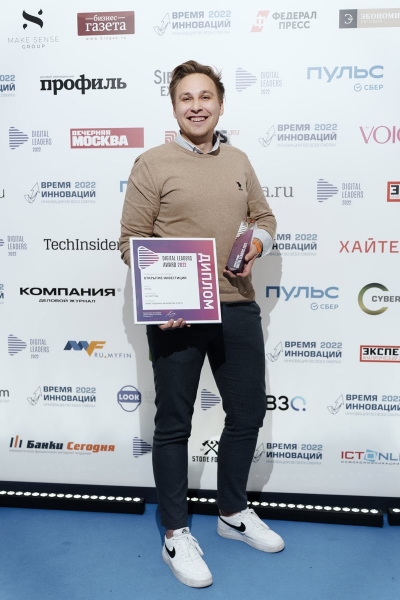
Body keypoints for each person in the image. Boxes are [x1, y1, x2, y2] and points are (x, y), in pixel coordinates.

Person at [119, 60, 284, 588]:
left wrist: (257, 244)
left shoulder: (238, 160)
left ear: (220, 103)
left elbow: (264, 217)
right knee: (174, 423)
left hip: (236, 304)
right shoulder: (152, 163)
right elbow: (131, 240)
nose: (196, 106)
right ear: (174, 107)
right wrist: (157, 297)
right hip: (178, 315)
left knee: (247, 412)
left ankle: (232, 512)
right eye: (186, 98)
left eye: (205, 96)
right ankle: (175, 532)